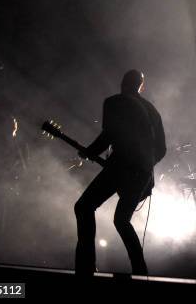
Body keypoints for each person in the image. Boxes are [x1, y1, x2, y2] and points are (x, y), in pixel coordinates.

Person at [74, 69, 166, 276]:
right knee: (122, 220)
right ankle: (141, 271)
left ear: (123, 83)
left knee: (84, 207)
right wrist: (144, 166)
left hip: (120, 166)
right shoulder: (153, 111)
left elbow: (110, 134)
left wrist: (90, 151)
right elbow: (162, 149)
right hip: (142, 174)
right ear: (141, 86)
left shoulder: (114, 102)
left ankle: (86, 266)